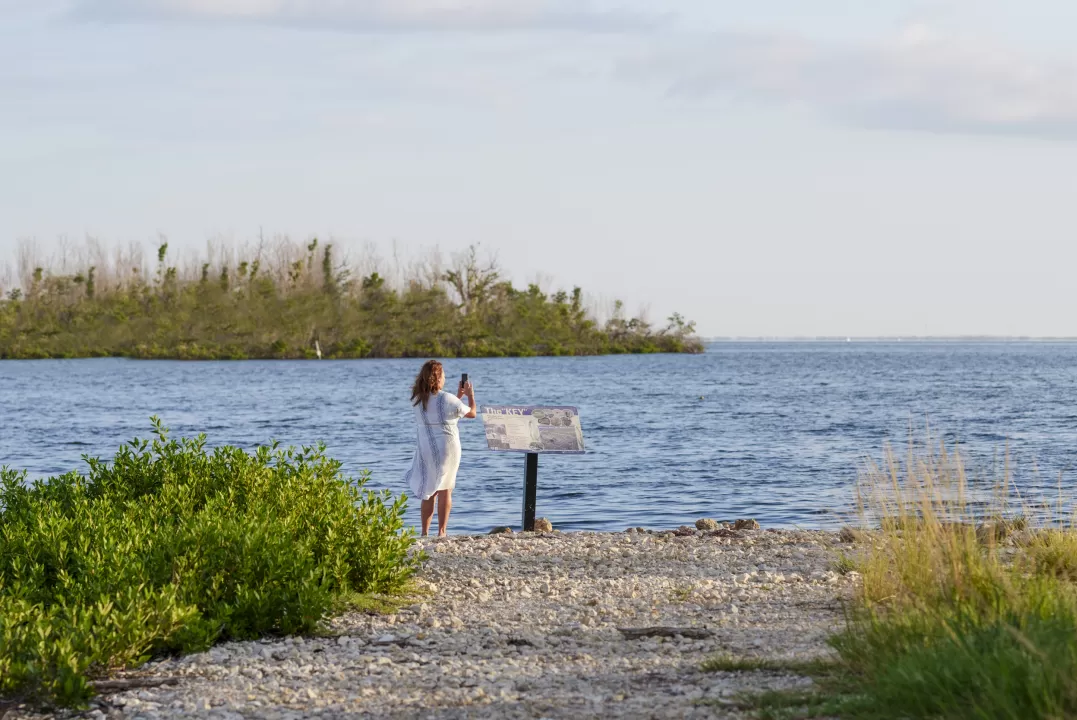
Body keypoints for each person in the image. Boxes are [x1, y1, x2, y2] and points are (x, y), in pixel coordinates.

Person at [405, 360, 477, 537]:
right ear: (438, 378)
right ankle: (442, 532)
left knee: (430, 489)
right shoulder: (447, 398)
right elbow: (472, 413)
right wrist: (469, 395)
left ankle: (424, 533)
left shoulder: (417, 399)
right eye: (443, 375)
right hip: (447, 448)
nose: (445, 378)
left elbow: (441, 413)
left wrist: (457, 396)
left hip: (426, 448)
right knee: (446, 488)